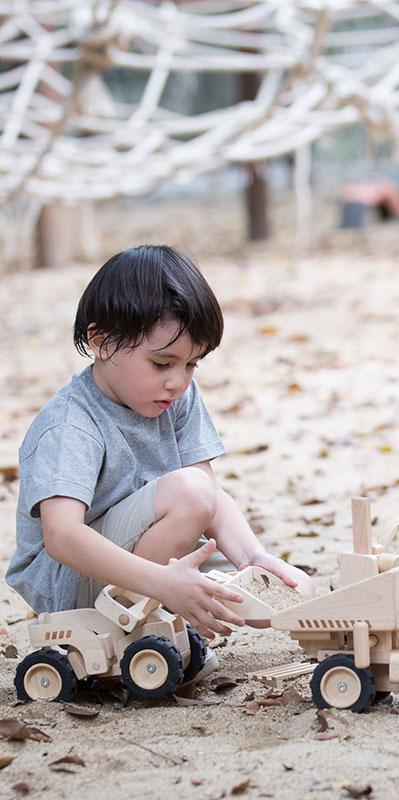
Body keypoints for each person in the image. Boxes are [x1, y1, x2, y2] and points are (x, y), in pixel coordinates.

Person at [6, 244, 313, 648]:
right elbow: (62, 537)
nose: (178, 381)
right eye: (162, 363)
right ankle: (138, 618)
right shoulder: (71, 424)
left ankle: (161, 603)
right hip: (73, 581)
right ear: (100, 341)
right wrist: (163, 584)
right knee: (188, 492)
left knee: (286, 594)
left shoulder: (176, 395)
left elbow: (210, 496)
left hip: (155, 545)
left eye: (192, 364)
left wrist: (253, 558)